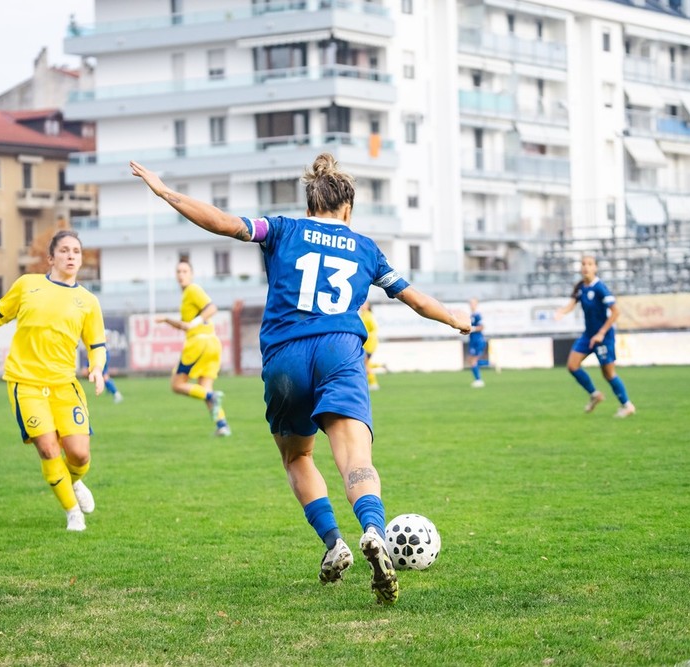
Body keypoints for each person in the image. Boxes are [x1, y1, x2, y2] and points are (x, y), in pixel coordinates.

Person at [130, 153, 470, 605]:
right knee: (354, 458)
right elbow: (414, 299)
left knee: (297, 457)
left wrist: (166, 191)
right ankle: (372, 528)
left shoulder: (282, 229)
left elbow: (223, 223)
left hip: (286, 357)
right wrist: (455, 319)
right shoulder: (365, 248)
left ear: (311, 204)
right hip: (340, 352)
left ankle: (334, 542)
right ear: (347, 208)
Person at [0, 230, 107, 532]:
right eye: (64, 251)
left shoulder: (87, 301)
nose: (70, 256)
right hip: (25, 383)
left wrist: (97, 368)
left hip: (65, 386)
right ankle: (72, 512)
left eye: (76, 251)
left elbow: (97, 345)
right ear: (51, 258)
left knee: (79, 454)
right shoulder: (27, 285)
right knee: (49, 449)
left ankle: (73, 482)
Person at [154, 260, 231, 437]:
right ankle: (222, 425)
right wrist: (167, 319)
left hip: (199, 344)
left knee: (177, 384)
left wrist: (194, 323)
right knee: (205, 387)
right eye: (179, 271)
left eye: (185, 271)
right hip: (212, 343)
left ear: (192, 274)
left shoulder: (192, 290)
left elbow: (212, 308)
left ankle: (211, 397)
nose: (181, 274)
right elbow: (185, 325)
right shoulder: (187, 296)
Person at [554, 255, 636, 418]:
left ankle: (627, 405)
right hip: (588, 335)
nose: (586, 267)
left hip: (603, 336)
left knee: (608, 374)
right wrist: (561, 312)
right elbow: (571, 305)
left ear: (595, 267)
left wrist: (601, 333)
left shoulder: (600, 288)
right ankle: (594, 394)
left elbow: (616, 312)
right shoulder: (580, 287)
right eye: (583, 264)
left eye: (590, 264)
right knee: (572, 365)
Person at [466, 298, 487, 388]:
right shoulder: (471, 315)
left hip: (478, 340)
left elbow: (482, 327)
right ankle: (489, 363)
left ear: (477, 304)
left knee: (473, 360)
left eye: (473, 303)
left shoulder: (478, 315)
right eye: (470, 303)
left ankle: (479, 380)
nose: (471, 305)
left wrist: (473, 329)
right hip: (472, 340)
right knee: (471, 360)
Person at [359, 302, 380, 390]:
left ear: (368, 306)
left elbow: (375, 329)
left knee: (365, 364)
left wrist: (367, 335)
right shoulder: (362, 315)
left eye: (364, 304)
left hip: (369, 344)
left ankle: (373, 383)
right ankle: (381, 366)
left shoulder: (368, 315)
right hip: (364, 344)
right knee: (364, 364)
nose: (361, 305)